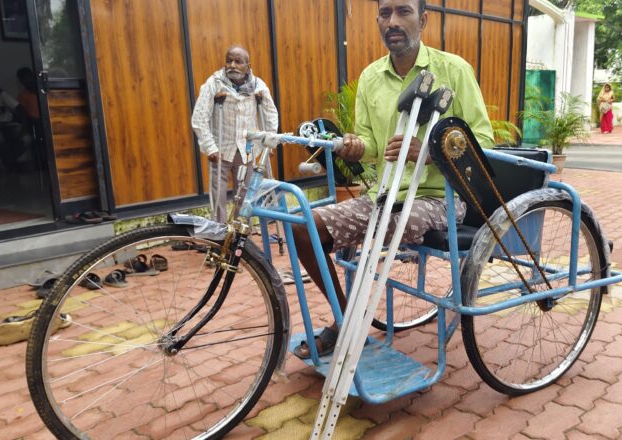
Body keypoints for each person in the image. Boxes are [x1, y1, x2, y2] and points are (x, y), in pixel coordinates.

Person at [290, 0, 494, 358]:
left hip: (437, 197)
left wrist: (430, 151)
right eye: (385, 14)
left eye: (403, 12)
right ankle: (346, 321)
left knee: (392, 220)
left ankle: (348, 325)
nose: (393, 22)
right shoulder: (370, 77)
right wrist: (355, 146)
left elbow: (484, 141)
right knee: (301, 228)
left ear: (424, 20)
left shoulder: (453, 70)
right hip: (382, 195)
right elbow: (371, 145)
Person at [191, 45, 279, 223]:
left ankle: (240, 231)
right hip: (221, 148)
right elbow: (199, 118)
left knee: (244, 192)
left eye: (238, 62)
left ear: (248, 65)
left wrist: (268, 143)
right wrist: (210, 147)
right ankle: (220, 232)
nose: (232, 65)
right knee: (219, 195)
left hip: (247, 148)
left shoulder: (258, 86)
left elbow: (270, 115)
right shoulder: (213, 83)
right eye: (229, 60)